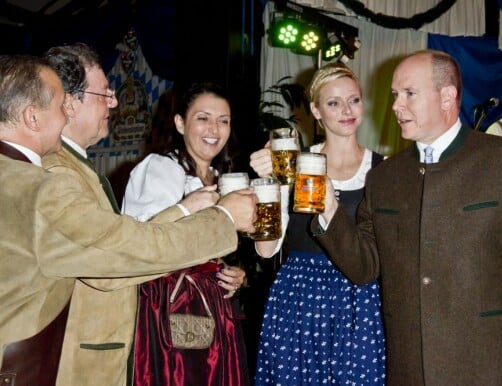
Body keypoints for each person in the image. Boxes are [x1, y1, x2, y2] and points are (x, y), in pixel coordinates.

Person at [0, 54, 256, 386]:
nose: (66, 115)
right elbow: (117, 253)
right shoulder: (36, 185)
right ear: (32, 117)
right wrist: (222, 219)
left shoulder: (20, 175)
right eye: (61, 104)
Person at [313, 50, 502, 386]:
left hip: (489, 369)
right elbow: (364, 268)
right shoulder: (384, 177)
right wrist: (328, 208)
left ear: (447, 96)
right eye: (394, 96)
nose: (395, 107)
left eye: (409, 94)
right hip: (409, 370)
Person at [249, 62, 386, 385]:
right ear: (315, 109)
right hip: (299, 297)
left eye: (353, 100)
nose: (346, 110)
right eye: (333, 103)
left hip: (360, 299)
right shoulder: (291, 165)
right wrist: (271, 185)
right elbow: (266, 251)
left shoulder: (384, 170)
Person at [122, 82, 250, 386]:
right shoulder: (161, 168)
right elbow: (141, 238)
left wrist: (231, 272)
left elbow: (208, 247)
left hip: (212, 305)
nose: (214, 129)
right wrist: (186, 206)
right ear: (180, 123)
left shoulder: (221, 179)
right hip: (168, 305)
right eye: (203, 118)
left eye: (223, 121)